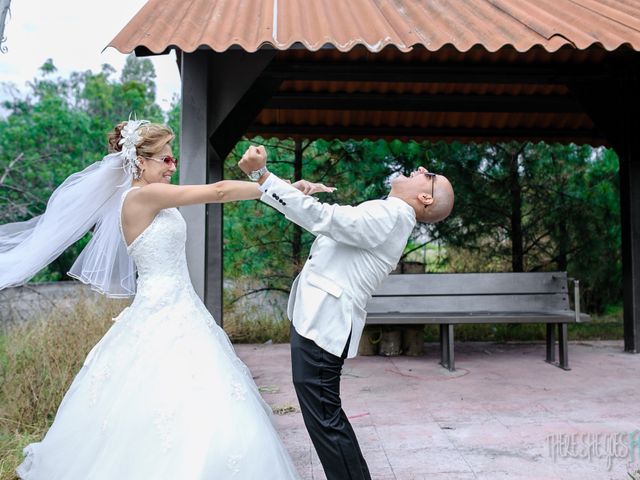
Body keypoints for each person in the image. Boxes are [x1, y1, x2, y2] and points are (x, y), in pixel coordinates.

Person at [0, 120, 329, 479]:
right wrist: (273, 185)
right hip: (163, 314)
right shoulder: (142, 196)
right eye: (166, 160)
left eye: (173, 160)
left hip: (183, 311)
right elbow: (218, 191)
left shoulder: (153, 197)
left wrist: (284, 190)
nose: (173, 166)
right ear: (140, 162)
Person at [238, 146, 454, 480]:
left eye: (428, 175)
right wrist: (291, 190)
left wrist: (262, 176)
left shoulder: (393, 215)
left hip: (325, 323)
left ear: (425, 197)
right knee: (324, 416)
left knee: (325, 418)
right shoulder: (390, 213)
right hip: (320, 321)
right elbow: (330, 223)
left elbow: (324, 219)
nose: (421, 167)